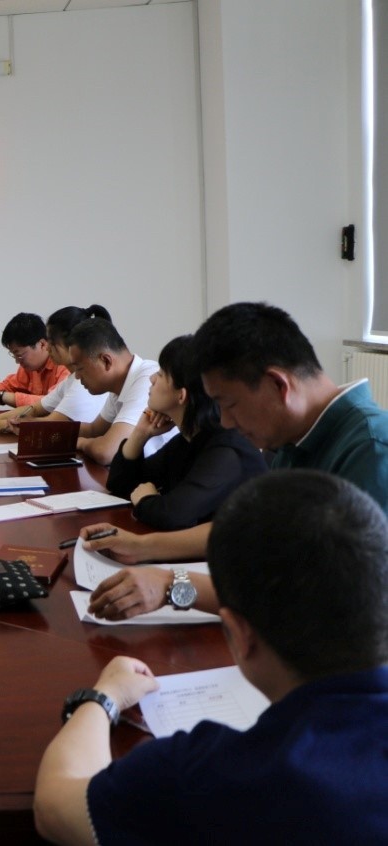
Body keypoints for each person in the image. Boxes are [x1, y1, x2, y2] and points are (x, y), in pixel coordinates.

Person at [34, 470, 388, 845]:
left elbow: (56, 808)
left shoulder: (224, 775)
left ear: (239, 635)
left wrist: (103, 697)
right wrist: (171, 585)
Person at [84, 301, 388, 620]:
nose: (226, 422)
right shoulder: (291, 440)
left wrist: (173, 585)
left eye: (229, 404)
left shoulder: (371, 450)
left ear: (277, 385)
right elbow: (252, 529)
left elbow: (329, 595)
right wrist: (142, 547)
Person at [105, 335, 266, 530]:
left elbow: (174, 516)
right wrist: (140, 434)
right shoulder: (189, 439)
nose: (152, 378)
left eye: (161, 374)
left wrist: (145, 499)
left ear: (181, 395)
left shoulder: (226, 449)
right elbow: (120, 485)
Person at [0, 305, 109, 433]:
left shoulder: (83, 384)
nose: (48, 349)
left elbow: (50, 426)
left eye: (53, 343)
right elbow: (35, 409)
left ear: (73, 344)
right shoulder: (71, 380)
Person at [63, 317, 162, 465]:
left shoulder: (147, 379)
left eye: (79, 368)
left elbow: (107, 452)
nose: (77, 376)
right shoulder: (119, 384)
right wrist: (43, 432)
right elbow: (94, 430)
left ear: (106, 361)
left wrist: (81, 443)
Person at [0, 312, 69, 409]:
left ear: (42, 344)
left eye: (20, 355)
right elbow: (8, 386)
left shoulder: (65, 366)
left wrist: (1, 397)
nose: (17, 362)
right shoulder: (30, 368)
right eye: (14, 356)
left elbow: (53, 402)